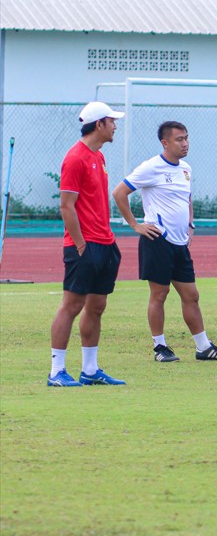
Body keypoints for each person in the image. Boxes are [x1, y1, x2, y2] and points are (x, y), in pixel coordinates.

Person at [112, 120, 217, 363]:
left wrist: (190, 224)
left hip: (180, 244)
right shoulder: (151, 167)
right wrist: (136, 225)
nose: (185, 143)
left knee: (191, 295)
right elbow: (119, 193)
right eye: (179, 139)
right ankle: (160, 348)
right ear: (165, 143)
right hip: (157, 240)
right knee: (160, 294)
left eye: (187, 138)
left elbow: (187, 198)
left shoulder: (186, 168)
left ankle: (203, 347)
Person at [47, 102, 127, 387]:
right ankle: (57, 372)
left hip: (105, 243)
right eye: (112, 121)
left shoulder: (99, 157)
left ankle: (90, 370)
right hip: (84, 246)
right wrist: (80, 244)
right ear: (99, 125)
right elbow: (66, 206)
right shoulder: (75, 158)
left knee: (97, 306)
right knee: (72, 305)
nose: (116, 125)